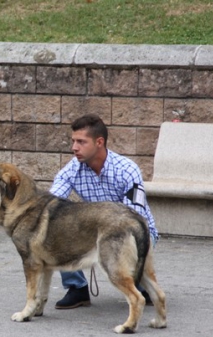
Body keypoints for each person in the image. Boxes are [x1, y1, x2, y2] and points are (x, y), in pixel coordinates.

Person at [49, 114, 158, 309]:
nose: (74, 147)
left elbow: (133, 216)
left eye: (81, 142)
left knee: (138, 287)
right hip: (94, 231)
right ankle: (77, 289)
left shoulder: (127, 169)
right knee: (56, 229)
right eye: (73, 141)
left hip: (133, 232)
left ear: (99, 142)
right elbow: (50, 206)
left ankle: (140, 285)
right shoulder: (71, 170)